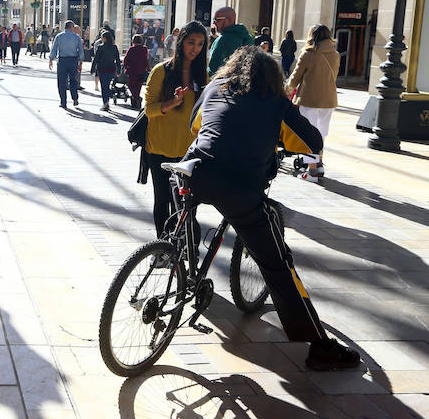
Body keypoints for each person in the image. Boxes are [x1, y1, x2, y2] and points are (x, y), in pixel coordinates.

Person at [185, 46, 360, 371]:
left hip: (195, 170)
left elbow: (196, 127)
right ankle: (319, 347)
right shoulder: (276, 101)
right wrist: (273, 137)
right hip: (240, 186)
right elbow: (312, 142)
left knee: (182, 213)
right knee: (279, 265)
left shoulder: (213, 88)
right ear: (273, 76)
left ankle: (177, 261)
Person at [144, 21, 208, 237]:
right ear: (181, 42)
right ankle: (163, 246)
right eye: (191, 42)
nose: (195, 49)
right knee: (162, 199)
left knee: (185, 204)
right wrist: (171, 103)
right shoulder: (161, 71)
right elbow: (149, 110)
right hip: (160, 147)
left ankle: (181, 247)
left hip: (188, 151)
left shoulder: (202, 74)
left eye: (200, 44)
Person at [286, 25, 340, 182]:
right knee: (322, 132)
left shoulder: (308, 53)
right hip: (329, 99)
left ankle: (312, 171)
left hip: (309, 99)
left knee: (308, 133)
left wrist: (285, 90)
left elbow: (294, 78)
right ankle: (319, 163)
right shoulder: (335, 55)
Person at [208, 6, 254, 76]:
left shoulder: (222, 40)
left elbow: (213, 68)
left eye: (217, 19)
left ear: (229, 20)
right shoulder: (249, 38)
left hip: (223, 83)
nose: (214, 23)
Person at [49, 20, 83, 108]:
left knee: (62, 82)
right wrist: (80, 63)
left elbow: (54, 48)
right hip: (73, 61)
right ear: (71, 27)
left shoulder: (59, 36)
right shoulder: (76, 37)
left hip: (62, 61)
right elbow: (81, 51)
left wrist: (51, 59)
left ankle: (63, 102)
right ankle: (75, 98)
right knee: (73, 80)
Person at [90, 30, 120, 111]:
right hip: (111, 69)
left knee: (104, 86)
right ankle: (109, 97)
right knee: (107, 85)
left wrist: (92, 69)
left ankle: (105, 103)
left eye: (102, 37)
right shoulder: (114, 47)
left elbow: (96, 59)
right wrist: (119, 71)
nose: (101, 39)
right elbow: (117, 59)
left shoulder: (100, 47)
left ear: (105, 38)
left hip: (102, 69)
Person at [122, 34, 150, 108]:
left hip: (132, 71)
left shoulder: (131, 49)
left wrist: (125, 66)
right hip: (141, 70)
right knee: (138, 87)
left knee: (131, 85)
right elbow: (145, 59)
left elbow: (126, 59)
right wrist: (148, 68)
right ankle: (135, 101)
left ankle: (136, 99)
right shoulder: (144, 49)